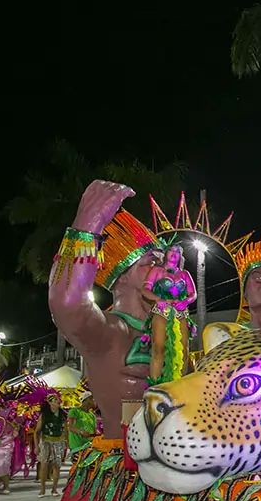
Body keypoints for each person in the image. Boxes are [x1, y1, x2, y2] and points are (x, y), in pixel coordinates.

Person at [49, 183, 167, 452]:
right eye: (152, 261)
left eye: (166, 263)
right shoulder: (110, 330)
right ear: (121, 278)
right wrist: (87, 226)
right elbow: (66, 303)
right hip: (121, 473)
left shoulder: (175, 332)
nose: (163, 271)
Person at [142, 244, 197, 382]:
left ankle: (179, 385)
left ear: (180, 256)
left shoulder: (184, 274)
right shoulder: (156, 270)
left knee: (183, 350)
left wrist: (185, 302)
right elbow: (145, 289)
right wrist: (158, 299)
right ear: (166, 253)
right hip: (161, 311)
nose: (174, 253)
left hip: (181, 313)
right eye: (171, 250)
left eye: (178, 251)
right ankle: (155, 386)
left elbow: (193, 294)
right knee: (159, 348)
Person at [35, 391, 67, 497]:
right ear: (50, 403)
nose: (58, 402)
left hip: (58, 441)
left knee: (57, 466)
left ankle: (54, 489)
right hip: (46, 441)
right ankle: (42, 489)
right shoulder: (44, 415)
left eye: (58, 400)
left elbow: (65, 429)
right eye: (55, 400)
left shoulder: (62, 414)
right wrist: (36, 446)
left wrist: (67, 443)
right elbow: (37, 432)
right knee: (44, 465)